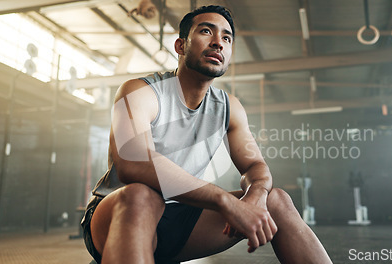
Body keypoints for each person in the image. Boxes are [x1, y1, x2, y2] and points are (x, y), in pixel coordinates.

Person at [81, 5, 332, 264]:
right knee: (141, 196)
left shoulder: (229, 107)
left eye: (226, 38)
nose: (218, 43)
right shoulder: (141, 91)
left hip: (181, 220)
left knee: (276, 199)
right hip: (118, 214)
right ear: (180, 46)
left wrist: (255, 195)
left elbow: (255, 166)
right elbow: (133, 164)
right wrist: (224, 200)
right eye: (206, 31)